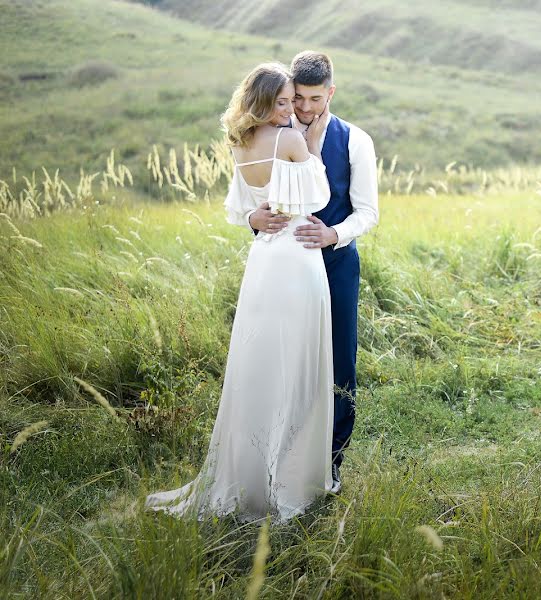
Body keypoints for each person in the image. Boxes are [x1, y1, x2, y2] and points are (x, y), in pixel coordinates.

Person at [144, 62, 334, 523]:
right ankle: (289, 477)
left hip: (264, 259)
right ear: (266, 103)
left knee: (261, 362)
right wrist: (315, 138)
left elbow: (241, 210)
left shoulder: (241, 143)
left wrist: (255, 218)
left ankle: (251, 468)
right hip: (296, 256)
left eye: (295, 101)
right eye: (284, 102)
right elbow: (320, 196)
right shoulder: (290, 138)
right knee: (297, 361)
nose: (293, 110)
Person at [248, 51, 379, 494]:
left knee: (340, 362)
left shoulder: (355, 140)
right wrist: (252, 219)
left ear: (331, 93)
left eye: (314, 99)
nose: (303, 109)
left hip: (337, 266)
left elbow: (367, 212)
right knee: (283, 362)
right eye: (296, 99)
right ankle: (274, 458)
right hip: (282, 270)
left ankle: (330, 463)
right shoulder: (267, 134)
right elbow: (240, 200)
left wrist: (335, 235)